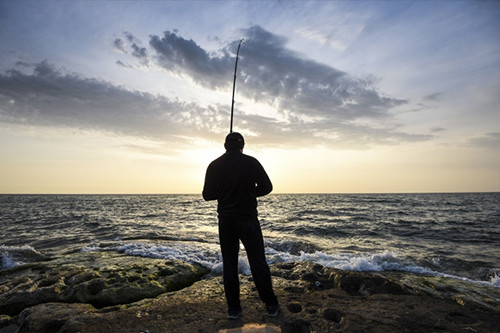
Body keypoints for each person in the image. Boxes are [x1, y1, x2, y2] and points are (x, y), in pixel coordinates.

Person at [202, 132, 280, 320]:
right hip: (248, 219)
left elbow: (207, 195)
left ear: (225, 145)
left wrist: (224, 192)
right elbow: (267, 187)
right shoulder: (251, 162)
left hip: (226, 221)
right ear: (243, 145)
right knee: (258, 262)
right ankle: (270, 305)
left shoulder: (214, 165)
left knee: (229, 264)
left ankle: (234, 309)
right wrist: (249, 192)